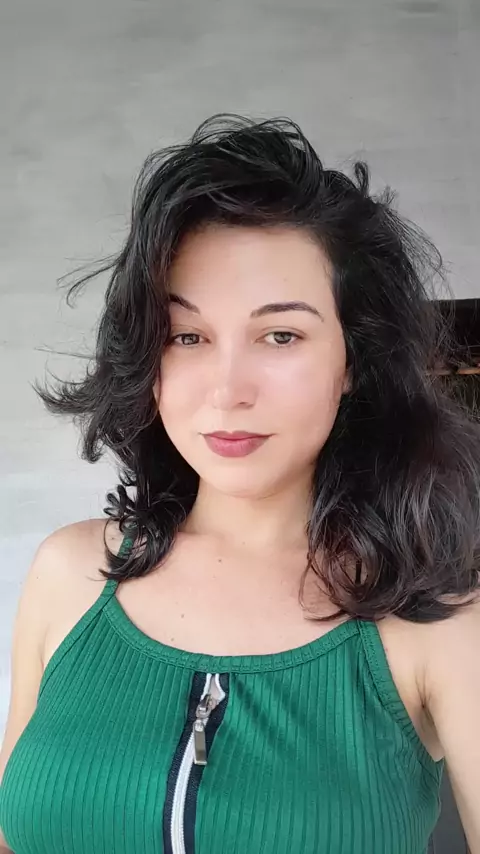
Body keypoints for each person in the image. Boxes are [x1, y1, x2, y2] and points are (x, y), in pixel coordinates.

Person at [0, 114, 479, 854]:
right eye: (187, 336)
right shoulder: (69, 576)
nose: (227, 391)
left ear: (352, 362)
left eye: (280, 335)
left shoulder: (437, 619)